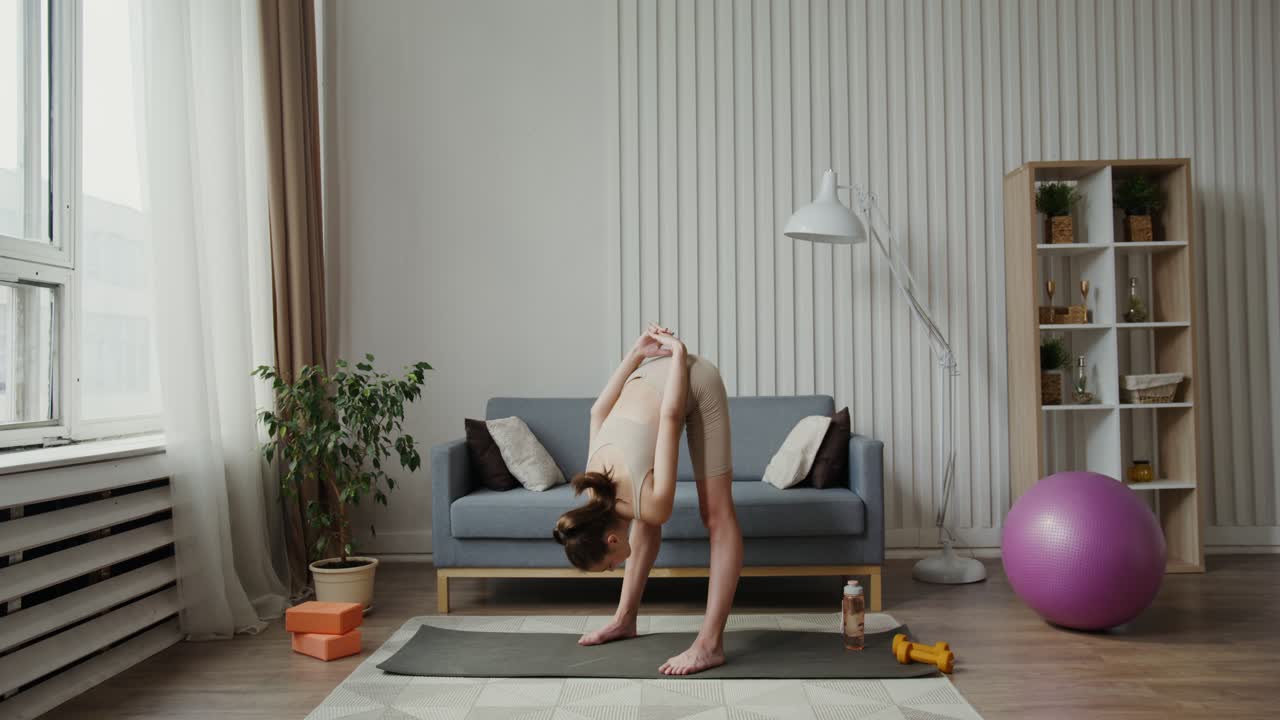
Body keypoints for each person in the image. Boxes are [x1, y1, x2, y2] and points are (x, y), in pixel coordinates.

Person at [552, 322, 742, 676]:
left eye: (609, 564)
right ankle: (624, 619)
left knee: (715, 513)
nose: (614, 568)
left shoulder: (650, 503)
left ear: (611, 540)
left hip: (690, 377)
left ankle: (710, 644)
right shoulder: (595, 487)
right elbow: (597, 412)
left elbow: (671, 417)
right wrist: (636, 353)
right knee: (640, 507)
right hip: (646, 370)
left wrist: (680, 356)